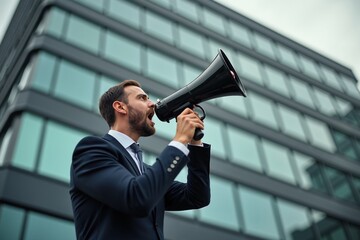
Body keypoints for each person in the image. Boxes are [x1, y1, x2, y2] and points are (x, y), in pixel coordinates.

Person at [69, 79, 211, 239]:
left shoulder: (146, 172)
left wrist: (194, 142)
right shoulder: (91, 149)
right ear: (120, 107)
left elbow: (197, 197)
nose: (152, 104)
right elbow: (136, 198)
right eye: (142, 98)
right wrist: (180, 140)